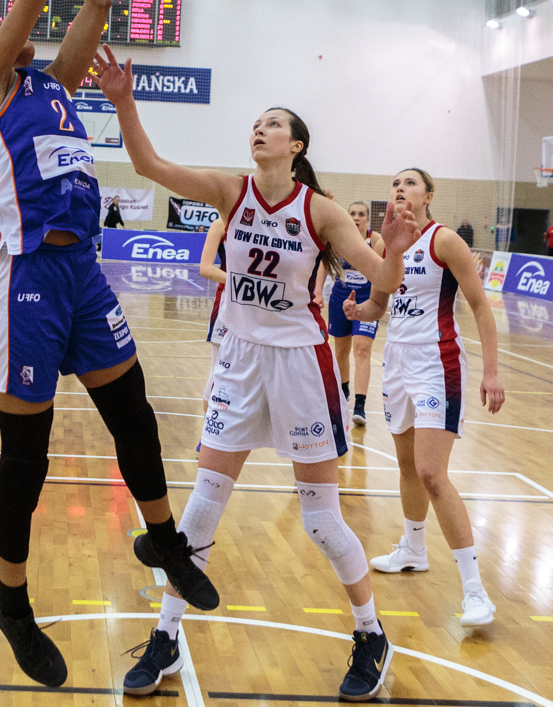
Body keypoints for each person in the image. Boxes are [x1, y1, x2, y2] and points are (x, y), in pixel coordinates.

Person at [0, 0, 216, 689]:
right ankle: (13, 599)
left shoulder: (53, 83)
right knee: (29, 456)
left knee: (135, 413)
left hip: (82, 272)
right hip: (21, 278)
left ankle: (163, 538)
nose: (13, 26)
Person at [94, 46, 420, 701]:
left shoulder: (320, 211)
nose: (259, 129)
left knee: (321, 520)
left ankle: (371, 634)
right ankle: (165, 636)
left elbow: (381, 278)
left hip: (301, 365)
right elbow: (149, 165)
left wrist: (395, 251)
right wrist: (124, 102)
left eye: (273, 123)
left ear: (295, 146)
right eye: (256, 123)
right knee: (201, 509)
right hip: (240, 360)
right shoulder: (230, 191)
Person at [351, 168, 505, 629]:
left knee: (432, 473)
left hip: (437, 362)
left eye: (410, 184)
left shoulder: (445, 241)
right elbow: (380, 304)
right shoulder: (387, 244)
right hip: (397, 361)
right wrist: (358, 310)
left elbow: (479, 305)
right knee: (406, 467)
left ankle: (476, 592)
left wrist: (492, 372)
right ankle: (413, 550)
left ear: (428, 195)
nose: (400, 189)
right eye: (395, 184)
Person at [321, 201, 384, 427]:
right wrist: (317, 292)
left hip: (367, 298)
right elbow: (324, 265)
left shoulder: (376, 241)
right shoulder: (339, 237)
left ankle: (360, 405)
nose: (356, 217)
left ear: (368, 219)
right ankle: (343, 390)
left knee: (362, 349)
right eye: (353, 213)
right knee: (341, 351)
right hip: (340, 297)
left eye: (361, 214)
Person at [198, 215, 228, 346]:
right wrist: (242, 282)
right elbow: (206, 269)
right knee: (220, 354)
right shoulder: (220, 225)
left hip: (260, 300)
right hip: (228, 295)